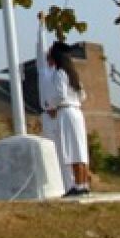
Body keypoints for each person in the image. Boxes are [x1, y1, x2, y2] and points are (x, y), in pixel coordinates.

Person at [47, 40, 92, 196]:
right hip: (77, 112)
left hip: (66, 112)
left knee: (73, 149)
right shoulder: (72, 74)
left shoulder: (60, 73)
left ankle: (79, 185)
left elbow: (60, 95)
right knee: (80, 149)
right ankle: (83, 183)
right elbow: (83, 95)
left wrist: (50, 105)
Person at [36, 11, 71, 189]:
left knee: (65, 150)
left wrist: (55, 107)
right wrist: (41, 26)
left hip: (59, 113)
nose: (48, 56)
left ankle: (69, 185)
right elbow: (40, 48)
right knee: (51, 152)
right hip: (46, 114)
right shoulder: (43, 70)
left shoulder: (60, 72)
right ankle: (55, 185)